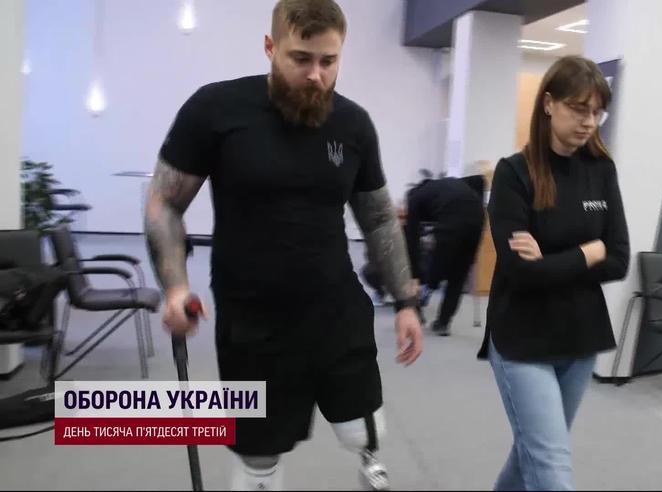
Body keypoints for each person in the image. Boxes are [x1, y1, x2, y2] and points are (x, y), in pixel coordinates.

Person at [143, 1, 423, 490]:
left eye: (329, 61)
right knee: (259, 456)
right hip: (253, 321)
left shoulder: (353, 124)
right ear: (270, 47)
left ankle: (368, 464)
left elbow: (378, 217)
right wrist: (175, 288)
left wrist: (405, 301)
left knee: (364, 432)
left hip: (336, 310)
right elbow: (164, 202)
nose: (316, 75)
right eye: (301, 59)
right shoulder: (216, 109)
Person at [477, 56, 630, 491]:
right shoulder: (514, 173)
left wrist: (549, 260)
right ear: (548, 103)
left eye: (597, 112)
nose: (589, 122)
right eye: (578, 109)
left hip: (581, 337)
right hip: (522, 339)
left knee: (533, 453)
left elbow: (619, 259)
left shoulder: (601, 170)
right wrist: (587, 252)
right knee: (550, 463)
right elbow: (519, 273)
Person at [404, 175, 485, 336]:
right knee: (458, 275)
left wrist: (414, 276)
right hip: (478, 218)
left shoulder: (414, 199)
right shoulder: (441, 187)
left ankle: (423, 296)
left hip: (453, 218)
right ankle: (443, 323)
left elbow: (411, 242)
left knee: (436, 264)